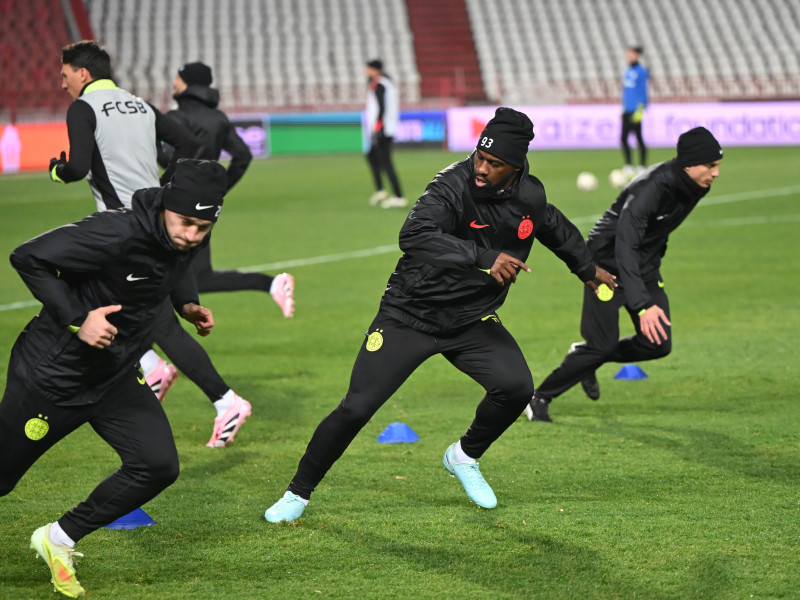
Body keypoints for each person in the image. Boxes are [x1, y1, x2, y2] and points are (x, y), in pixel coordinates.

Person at [263, 108, 617, 523]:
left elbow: (552, 225)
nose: (481, 168)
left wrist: (587, 268)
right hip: (409, 314)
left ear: (516, 167)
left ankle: (463, 456)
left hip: (471, 318)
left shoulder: (530, 196)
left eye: (494, 163)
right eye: (479, 157)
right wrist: (484, 257)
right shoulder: (450, 185)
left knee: (516, 387)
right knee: (356, 408)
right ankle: (297, 494)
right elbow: (413, 236)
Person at [0, 159, 226, 598]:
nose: (191, 236)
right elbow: (27, 257)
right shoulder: (116, 232)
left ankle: (58, 538)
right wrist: (77, 318)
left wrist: (187, 304)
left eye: (203, 227)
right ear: (166, 206)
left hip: (116, 373)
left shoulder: (186, 232)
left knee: (157, 465)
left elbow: (176, 265)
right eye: (185, 223)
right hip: (53, 375)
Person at [49, 41, 251, 447]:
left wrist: (56, 170)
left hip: (124, 229)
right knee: (101, 295)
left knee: (152, 317)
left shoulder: (83, 108)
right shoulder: (140, 105)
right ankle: (151, 366)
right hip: (153, 219)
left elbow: (78, 167)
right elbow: (191, 146)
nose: (63, 82)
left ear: (83, 74)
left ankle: (225, 400)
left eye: (66, 74)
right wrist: (165, 192)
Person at [525, 127, 723, 423]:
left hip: (643, 266)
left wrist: (650, 271)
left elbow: (659, 230)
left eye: (717, 165)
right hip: (604, 265)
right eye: (710, 166)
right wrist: (642, 303)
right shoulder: (652, 189)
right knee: (601, 345)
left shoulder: (697, 186)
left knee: (658, 343)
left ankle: (586, 358)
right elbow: (625, 243)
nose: (716, 173)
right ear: (689, 164)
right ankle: (538, 398)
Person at [159, 61, 294, 317]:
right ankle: (269, 284)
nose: (173, 83)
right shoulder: (218, 118)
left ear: (187, 83)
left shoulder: (174, 118)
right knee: (197, 278)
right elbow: (242, 156)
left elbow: (167, 157)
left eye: (177, 79)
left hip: (173, 208)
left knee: (156, 276)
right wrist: (217, 191)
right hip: (204, 207)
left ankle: (144, 351)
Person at [364, 58, 406, 209]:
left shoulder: (378, 84)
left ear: (373, 70)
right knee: (371, 156)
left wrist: (377, 126)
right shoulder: (387, 83)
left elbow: (381, 107)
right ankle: (381, 190)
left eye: (367, 68)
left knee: (386, 162)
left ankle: (399, 196)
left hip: (382, 129)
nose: (365, 71)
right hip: (387, 127)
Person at [620, 45, 649, 177]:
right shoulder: (628, 71)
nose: (629, 57)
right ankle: (629, 165)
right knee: (624, 138)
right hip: (627, 109)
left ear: (636, 55)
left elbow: (643, 90)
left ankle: (642, 165)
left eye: (631, 54)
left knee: (638, 137)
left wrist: (641, 108)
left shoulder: (641, 71)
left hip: (636, 110)